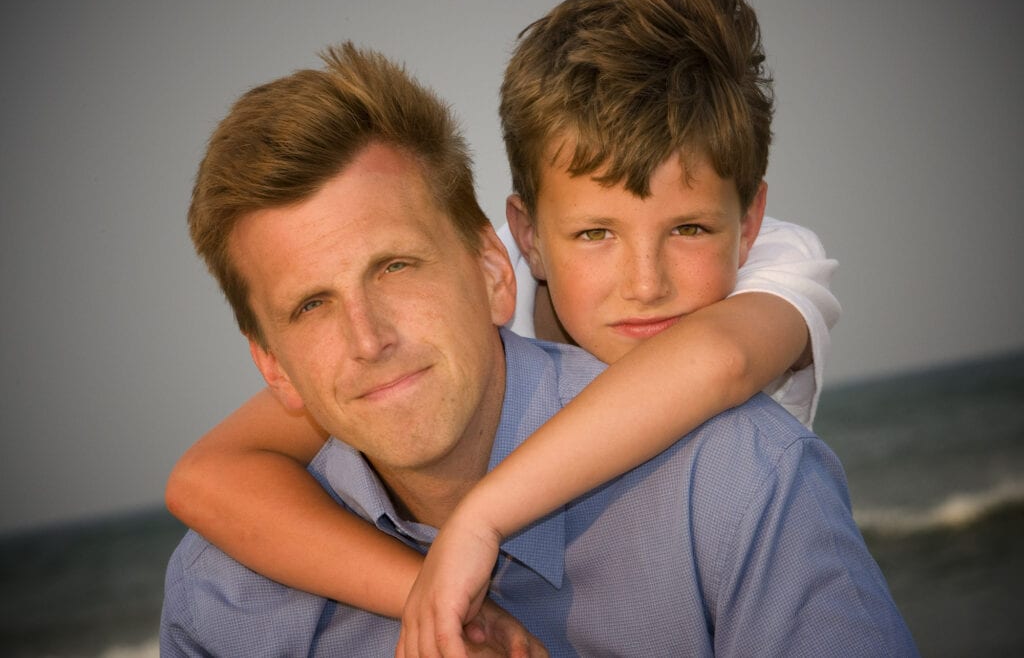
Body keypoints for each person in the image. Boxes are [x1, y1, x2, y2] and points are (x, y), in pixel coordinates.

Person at [160, 38, 916, 655]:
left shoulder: (742, 471)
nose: (368, 339)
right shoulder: (222, 598)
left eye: (395, 267)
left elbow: (721, 358)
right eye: (312, 305)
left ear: (495, 269)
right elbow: (207, 475)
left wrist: (478, 523)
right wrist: (427, 595)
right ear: (271, 366)